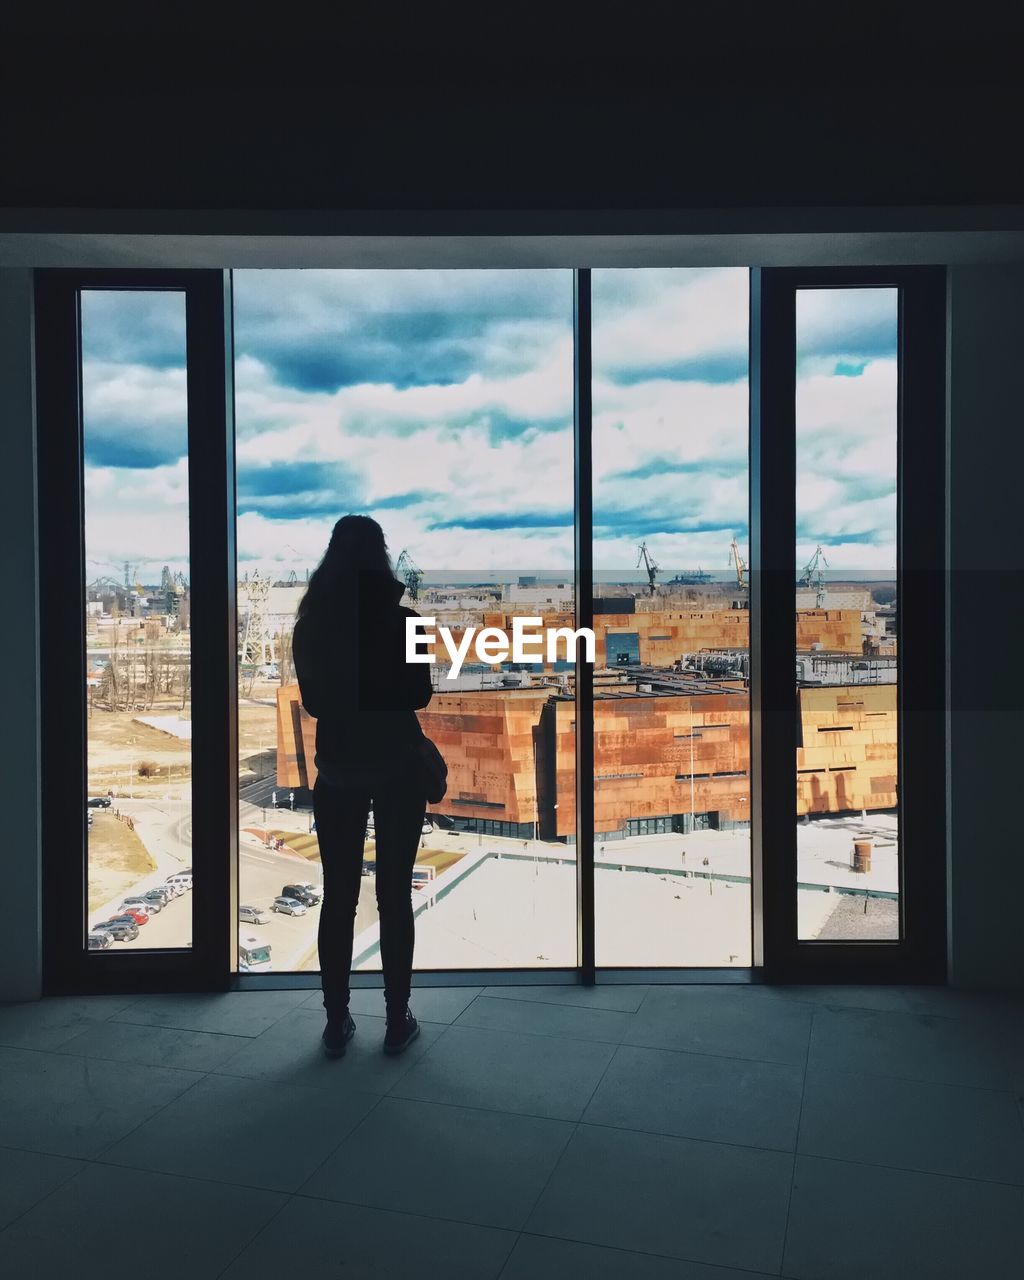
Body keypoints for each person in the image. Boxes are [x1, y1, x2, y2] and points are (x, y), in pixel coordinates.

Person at [292, 515, 432, 1059]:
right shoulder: (407, 622)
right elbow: (420, 696)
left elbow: (317, 704)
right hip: (398, 767)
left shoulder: (312, 627)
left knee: (339, 898)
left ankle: (336, 1022)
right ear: (382, 558)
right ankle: (397, 1021)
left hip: (340, 772)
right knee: (394, 898)